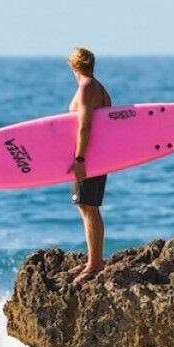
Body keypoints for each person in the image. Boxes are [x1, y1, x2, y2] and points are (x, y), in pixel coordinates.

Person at [65, 47, 112, 285]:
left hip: (88, 158)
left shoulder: (86, 88)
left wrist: (79, 159)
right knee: (89, 207)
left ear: (74, 67)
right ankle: (94, 259)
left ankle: (95, 264)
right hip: (98, 157)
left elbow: (84, 126)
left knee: (88, 207)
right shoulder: (99, 88)